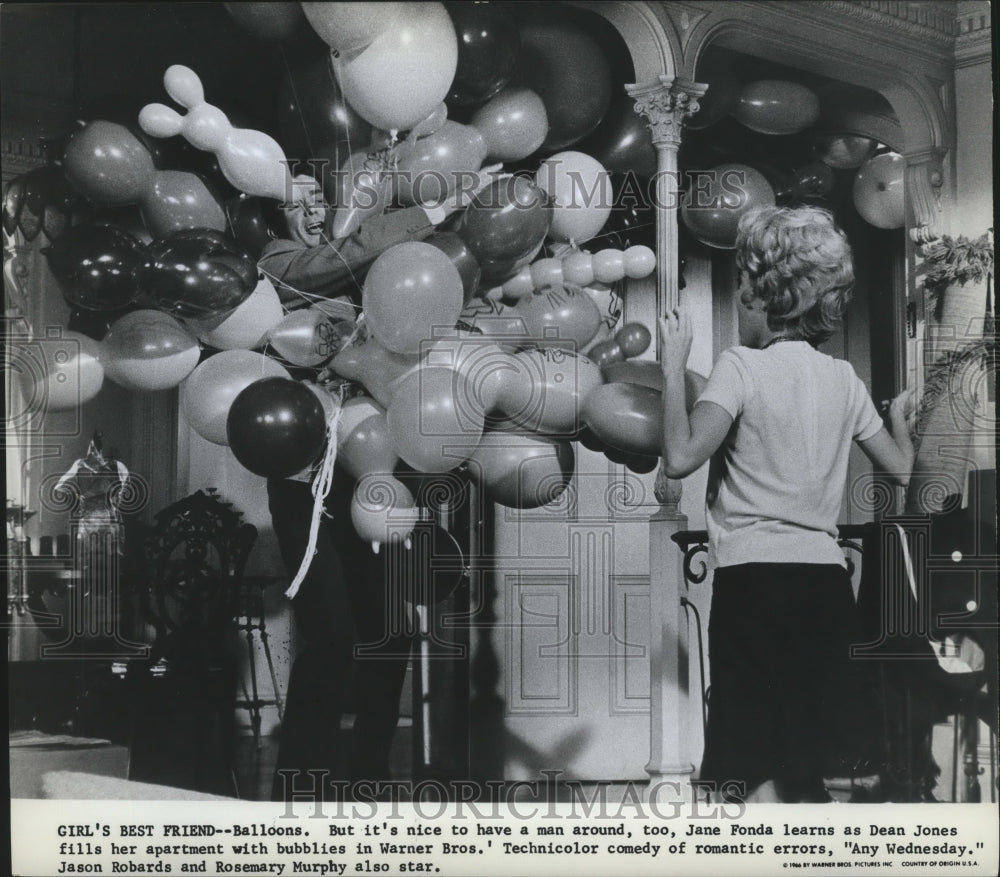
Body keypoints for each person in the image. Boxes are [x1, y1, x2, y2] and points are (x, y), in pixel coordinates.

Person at [657, 205, 915, 803]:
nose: (742, 297)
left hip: (753, 585)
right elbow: (904, 472)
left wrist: (673, 368)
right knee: (812, 757)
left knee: (752, 761)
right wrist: (897, 416)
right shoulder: (845, 379)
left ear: (764, 295)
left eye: (744, 286)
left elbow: (679, 457)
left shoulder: (739, 367)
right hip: (825, 585)